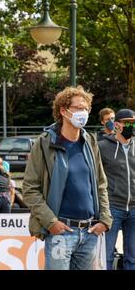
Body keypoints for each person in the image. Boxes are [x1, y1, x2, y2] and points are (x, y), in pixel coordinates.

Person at [23, 86, 112, 270]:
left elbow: (101, 184)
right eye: (79, 108)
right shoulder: (45, 143)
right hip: (61, 232)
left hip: (89, 232)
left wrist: (105, 219)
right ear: (63, 111)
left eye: (86, 109)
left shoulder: (90, 142)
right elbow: (30, 189)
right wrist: (51, 223)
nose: (84, 113)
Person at [98, 108, 135, 270]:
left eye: (134, 123)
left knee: (133, 258)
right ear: (117, 125)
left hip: (134, 210)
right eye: (128, 123)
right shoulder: (102, 147)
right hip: (112, 208)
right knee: (105, 257)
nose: (131, 127)